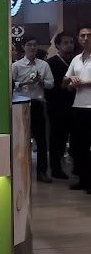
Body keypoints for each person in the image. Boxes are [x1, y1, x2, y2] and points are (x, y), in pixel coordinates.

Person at [12, 36, 54, 182]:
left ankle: (42, 172)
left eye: (34, 45)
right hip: (20, 105)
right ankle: (19, 172)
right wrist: (23, 83)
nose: (32, 48)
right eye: (29, 45)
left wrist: (41, 81)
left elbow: (51, 84)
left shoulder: (43, 65)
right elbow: (10, 85)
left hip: (37, 103)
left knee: (41, 140)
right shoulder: (16, 66)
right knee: (21, 140)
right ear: (23, 47)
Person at [64, 25, 91, 193]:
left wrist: (82, 83)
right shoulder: (75, 59)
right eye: (83, 35)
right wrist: (71, 82)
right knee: (79, 146)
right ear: (79, 38)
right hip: (78, 107)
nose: (86, 38)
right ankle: (83, 179)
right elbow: (64, 82)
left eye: (89, 35)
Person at [46, 31, 76, 180]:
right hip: (57, 107)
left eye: (71, 42)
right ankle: (56, 168)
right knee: (57, 138)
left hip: (75, 106)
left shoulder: (76, 61)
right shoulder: (51, 63)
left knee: (76, 138)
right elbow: (49, 88)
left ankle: (77, 169)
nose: (69, 45)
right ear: (57, 45)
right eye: (65, 42)